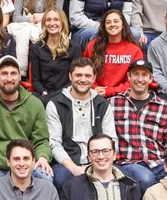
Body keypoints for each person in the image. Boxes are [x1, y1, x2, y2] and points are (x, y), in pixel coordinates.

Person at [110, 59, 167, 192]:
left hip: (158, 163)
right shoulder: (114, 104)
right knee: (146, 178)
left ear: (151, 78)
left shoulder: (163, 106)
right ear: (129, 77)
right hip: (128, 163)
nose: (140, 79)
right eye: (136, 74)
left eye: (144, 75)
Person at [0, 56, 53, 191]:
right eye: (4, 73)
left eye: (13, 73)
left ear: (20, 76)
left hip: (25, 163)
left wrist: (43, 157)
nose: (9, 78)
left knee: (45, 176)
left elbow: (42, 140)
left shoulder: (35, 103)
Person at [46, 58, 116, 188]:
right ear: (70, 76)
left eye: (88, 75)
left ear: (94, 78)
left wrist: (97, 165)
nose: (83, 79)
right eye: (78, 75)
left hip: (98, 159)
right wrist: (73, 168)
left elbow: (110, 140)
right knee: (61, 179)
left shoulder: (103, 104)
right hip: (68, 162)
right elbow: (54, 143)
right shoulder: (55, 104)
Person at [86, 9, 145, 101]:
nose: (112, 24)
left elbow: (135, 80)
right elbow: (85, 71)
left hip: (124, 97)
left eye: (116, 21)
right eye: (108, 22)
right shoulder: (92, 46)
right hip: (94, 95)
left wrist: (111, 91)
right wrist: (94, 88)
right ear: (104, 26)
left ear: (123, 25)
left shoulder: (134, 50)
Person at [30, 10, 79, 105]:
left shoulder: (74, 47)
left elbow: (75, 78)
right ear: (44, 23)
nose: (52, 23)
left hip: (67, 93)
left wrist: (53, 96)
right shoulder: (36, 48)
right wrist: (44, 92)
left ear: (62, 23)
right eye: (48, 20)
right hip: (43, 93)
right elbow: (36, 80)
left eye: (56, 20)